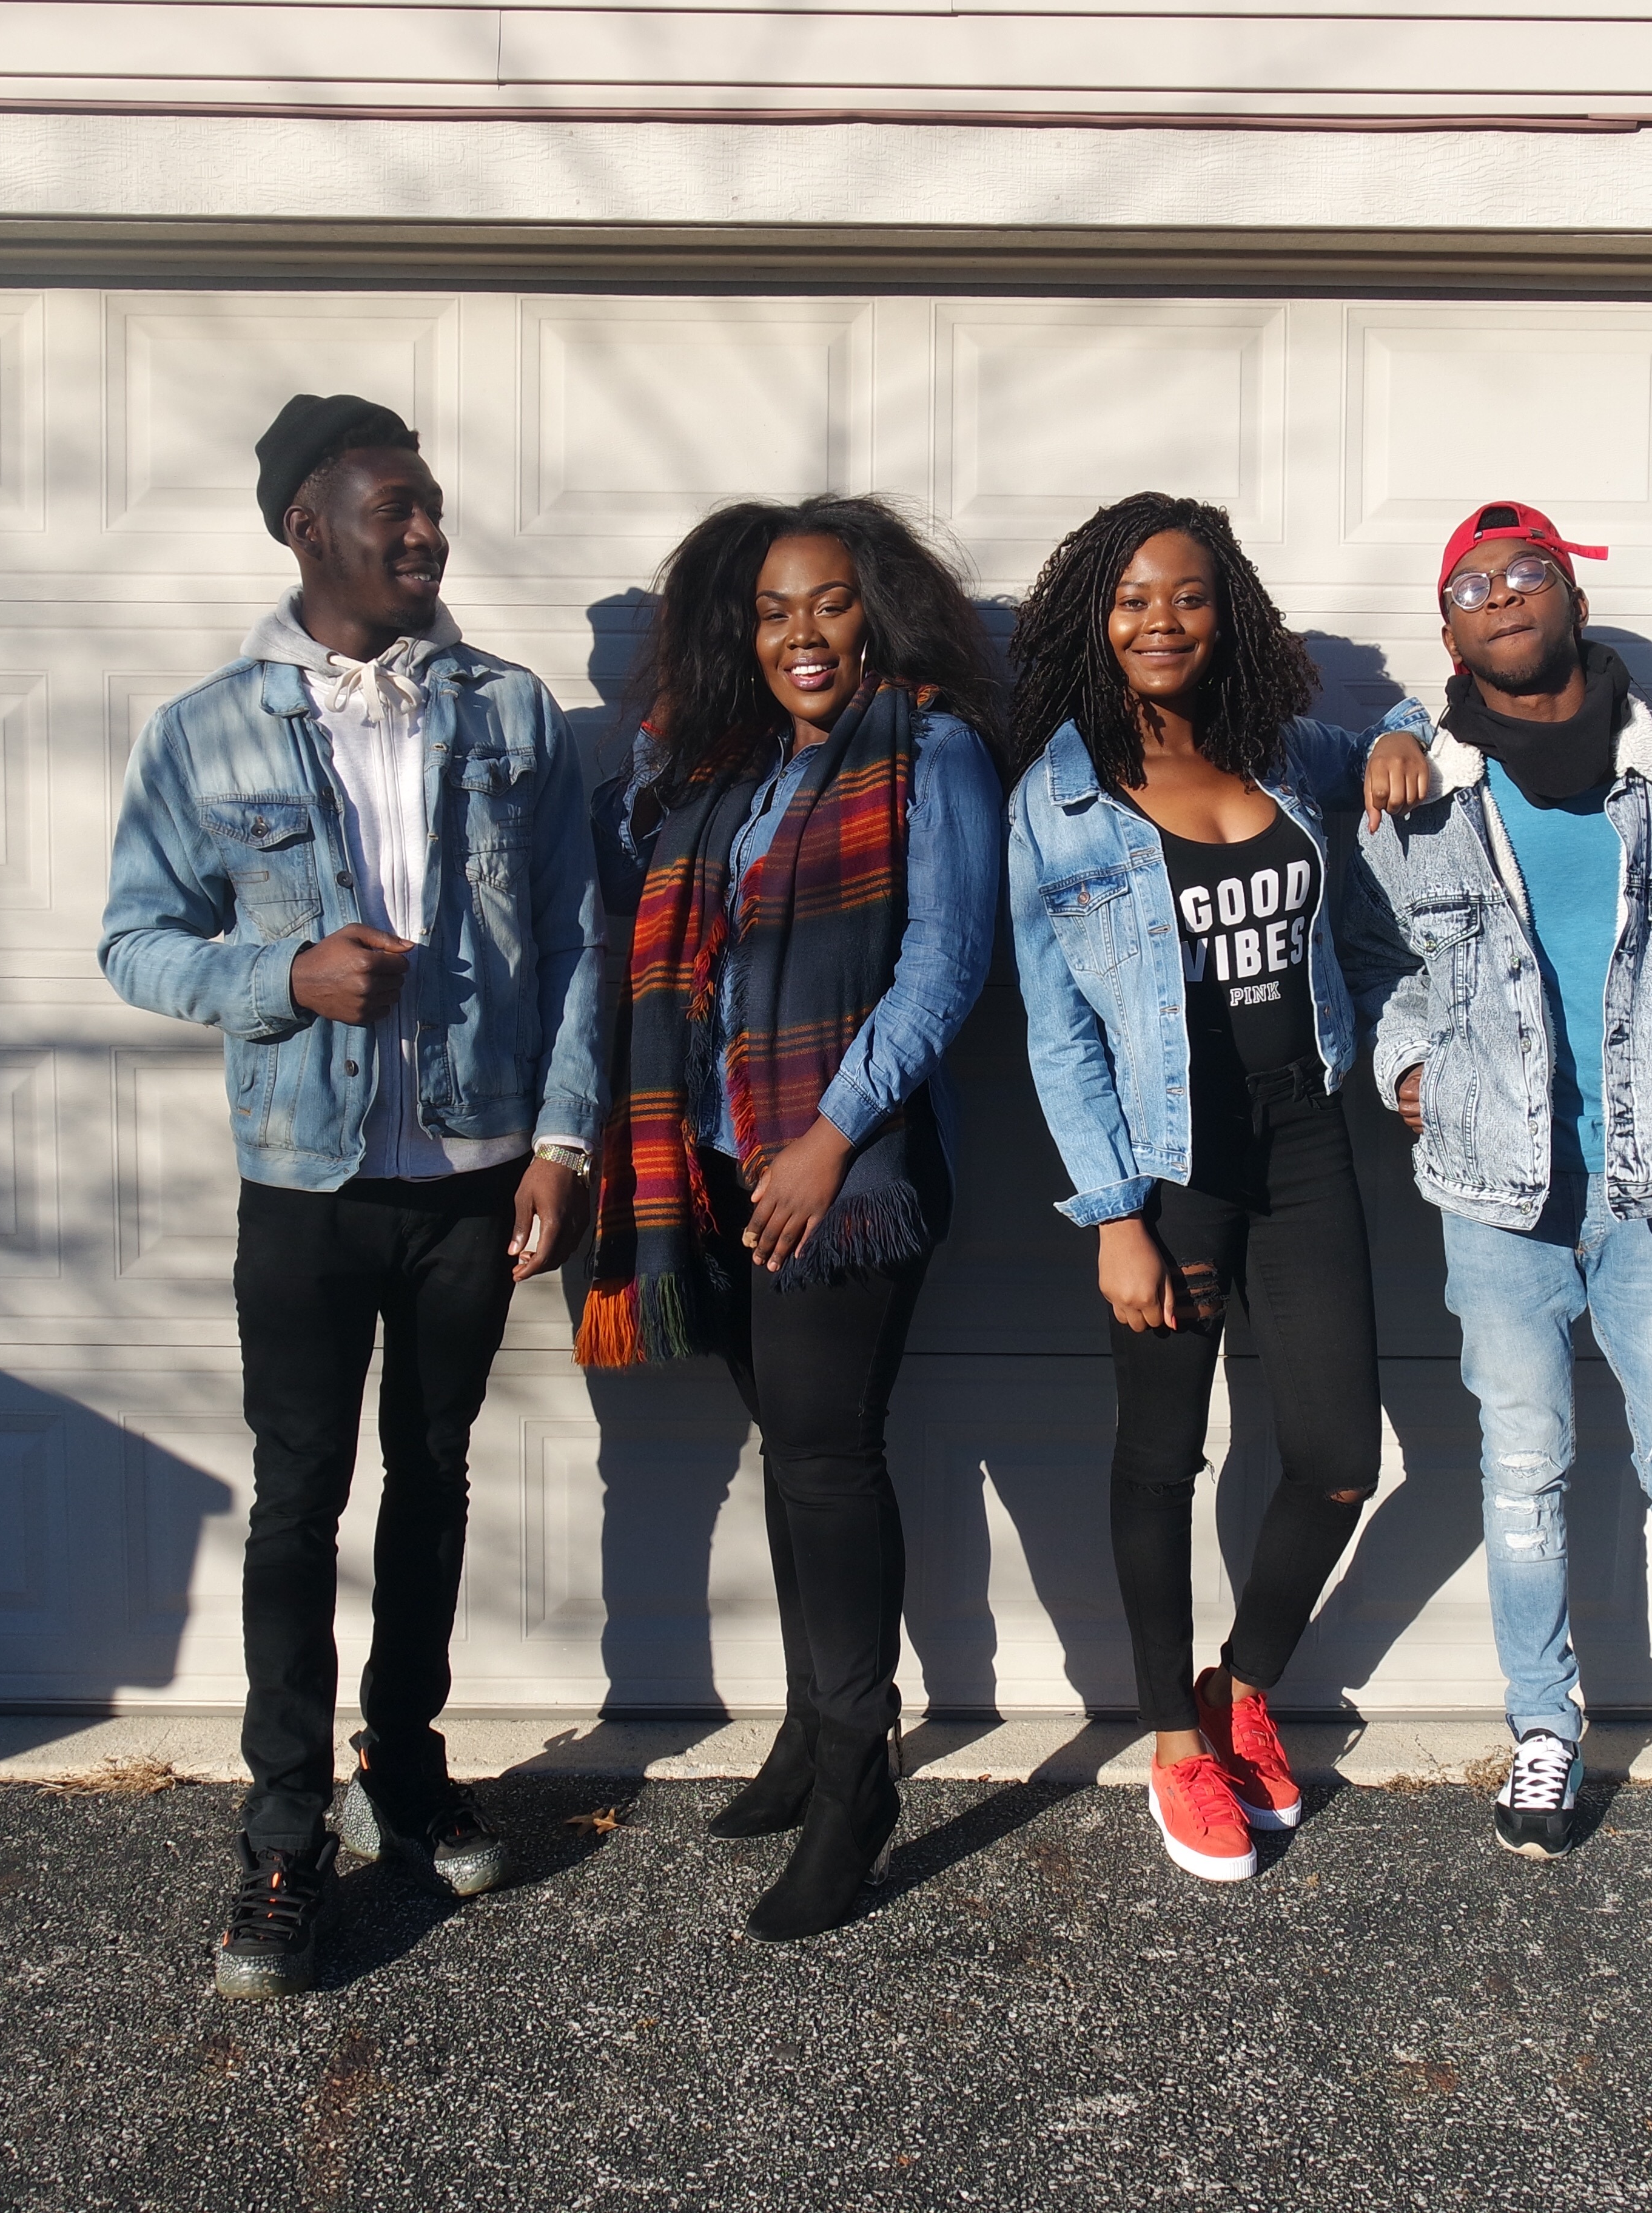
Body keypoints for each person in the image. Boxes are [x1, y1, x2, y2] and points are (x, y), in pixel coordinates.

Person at [100, 395, 606, 1998]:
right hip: (305, 1188)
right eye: (396, 509)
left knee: (433, 1478)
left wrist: (565, 1142)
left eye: (433, 506)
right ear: (305, 526)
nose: (428, 533)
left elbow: (578, 941)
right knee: (297, 1501)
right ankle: (282, 1832)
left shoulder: (511, 713)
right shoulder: (206, 730)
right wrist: (284, 978)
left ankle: (405, 1763)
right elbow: (133, 941)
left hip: (469, 1178)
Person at [1354, 498, 1652, 1884]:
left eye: (1528, 573)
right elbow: (1374, 960)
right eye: (1471, 586)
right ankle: (1544, 1730)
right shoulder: (1413, 789)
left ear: (1573, 597)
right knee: (1524, 1473)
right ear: (1448, 631)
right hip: (1496, 1196)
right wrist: (1407, 1069)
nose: (1501, 596)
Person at [580, 494, 1001, 1941]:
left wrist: (831, 1135)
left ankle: (857, 1781)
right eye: (771, 612)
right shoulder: (738, 763)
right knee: (800, 1457)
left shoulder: (932, 752)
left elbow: (946, 964)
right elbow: (634, 878)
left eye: (828, 603)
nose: (800, 634)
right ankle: (816, 1731)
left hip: (845, 1174)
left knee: (829, 1461)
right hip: (720, 1162)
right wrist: (662, 745)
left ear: (875, 613)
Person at [1004, 490, 1437, 1884]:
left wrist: (1400, 736)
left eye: (1188, 595)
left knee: (1337, 1458)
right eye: (1132, 599)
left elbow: (1405, 740)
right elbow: (1057, 1033)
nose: (1161, 621)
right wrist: (1114, 1216)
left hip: (1304, 1136)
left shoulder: (1286, 749)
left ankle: (1242, 1688)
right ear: (1094, 620)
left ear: (1228, 610)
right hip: (1169, 1160)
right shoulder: (1060, 799)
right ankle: (1171, 1743)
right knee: (1160, 1457)